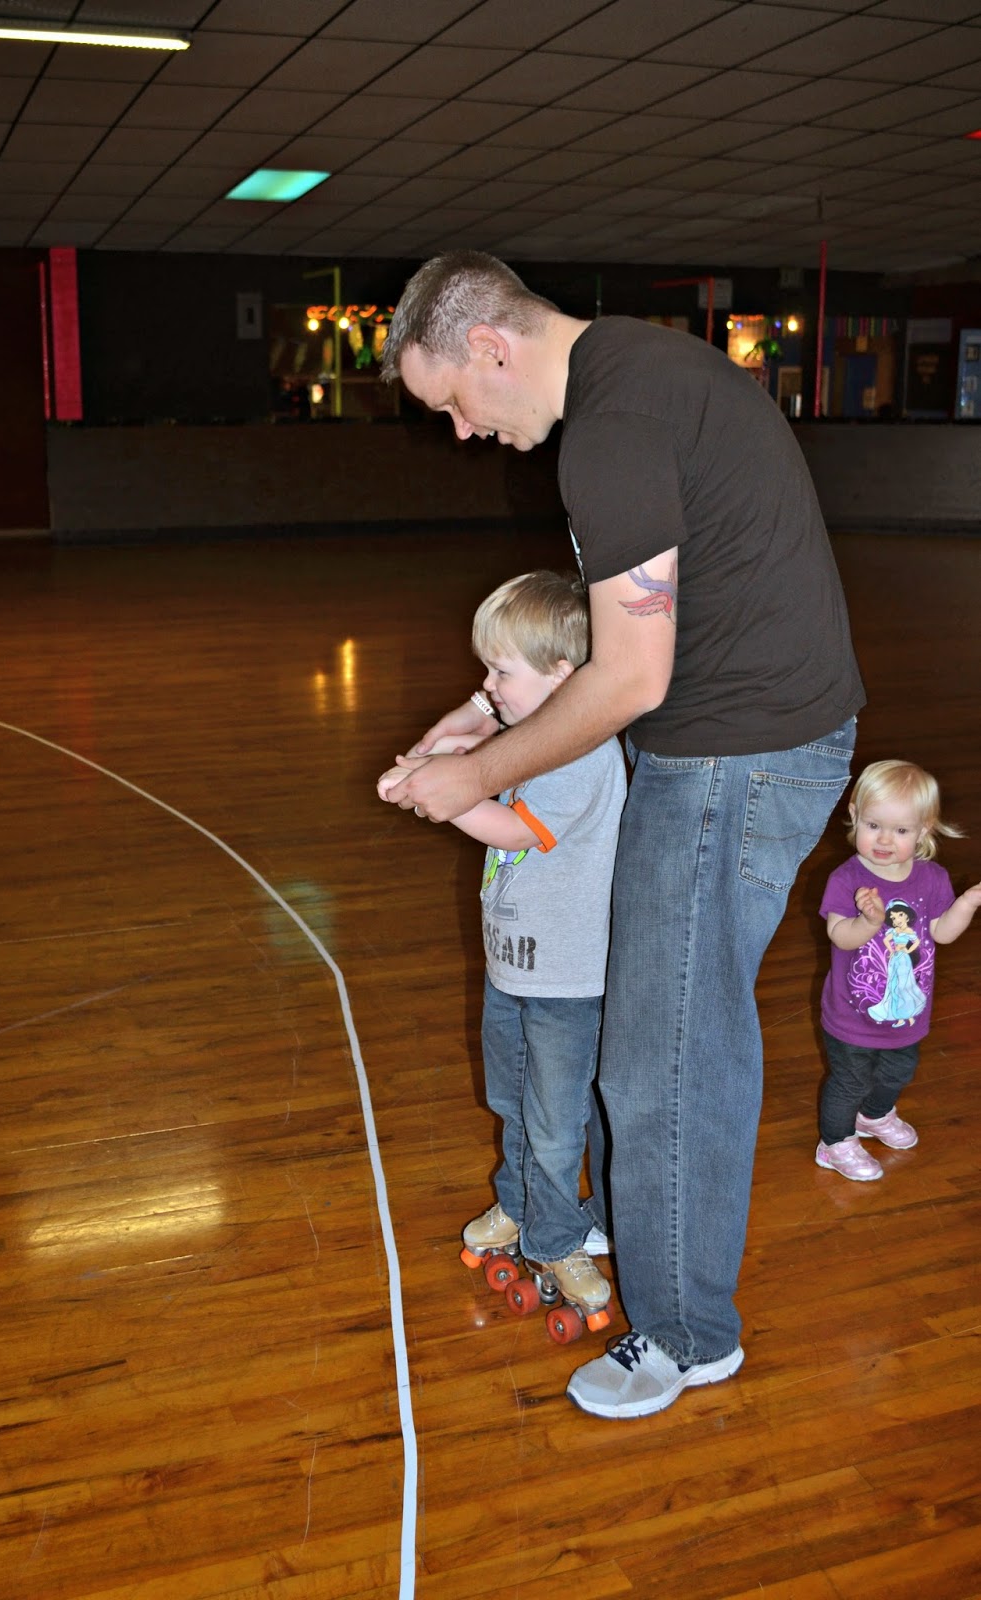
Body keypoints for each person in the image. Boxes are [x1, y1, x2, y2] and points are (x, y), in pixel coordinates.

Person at [379, 251, 866, 1419]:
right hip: (742, 739)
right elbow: (588, 648)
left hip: (734, 759)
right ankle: (636, 1233)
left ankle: (686, 1333)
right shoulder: (641, 375)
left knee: (666, 1054)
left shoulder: (610, 426)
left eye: (451, 400)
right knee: (652, 1033)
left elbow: (631, 676)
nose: (459, 430)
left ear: (491, 348)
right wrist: (477, 721)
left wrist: (476, 777)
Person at [377, 571, 626, 1329]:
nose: (488, 686)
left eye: (500, 672)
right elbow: (486, 743)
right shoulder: (533, 734)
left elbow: (511, 828)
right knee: (513, 1101)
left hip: (564, 982)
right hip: (513, 967)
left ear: (560, 678)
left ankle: (558, 1238)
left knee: (554, 1120)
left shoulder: (581, 757)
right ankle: (519, 1206)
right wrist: (447, 752)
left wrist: (441, 791)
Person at [815, 759, 980, 1181]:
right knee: (850, 1079)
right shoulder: (846, 878)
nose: (885, 839)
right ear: (854, 815)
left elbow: (941, 933)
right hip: (852, 1013)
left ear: (924, 831)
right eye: (874, 825)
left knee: (898, 1070)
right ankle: (834, 1142)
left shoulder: (932, 878)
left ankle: (873, 1115)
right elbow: (840, 937)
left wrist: (967, 903)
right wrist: (868, 922)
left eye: (901, 831)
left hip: (908, 1011)